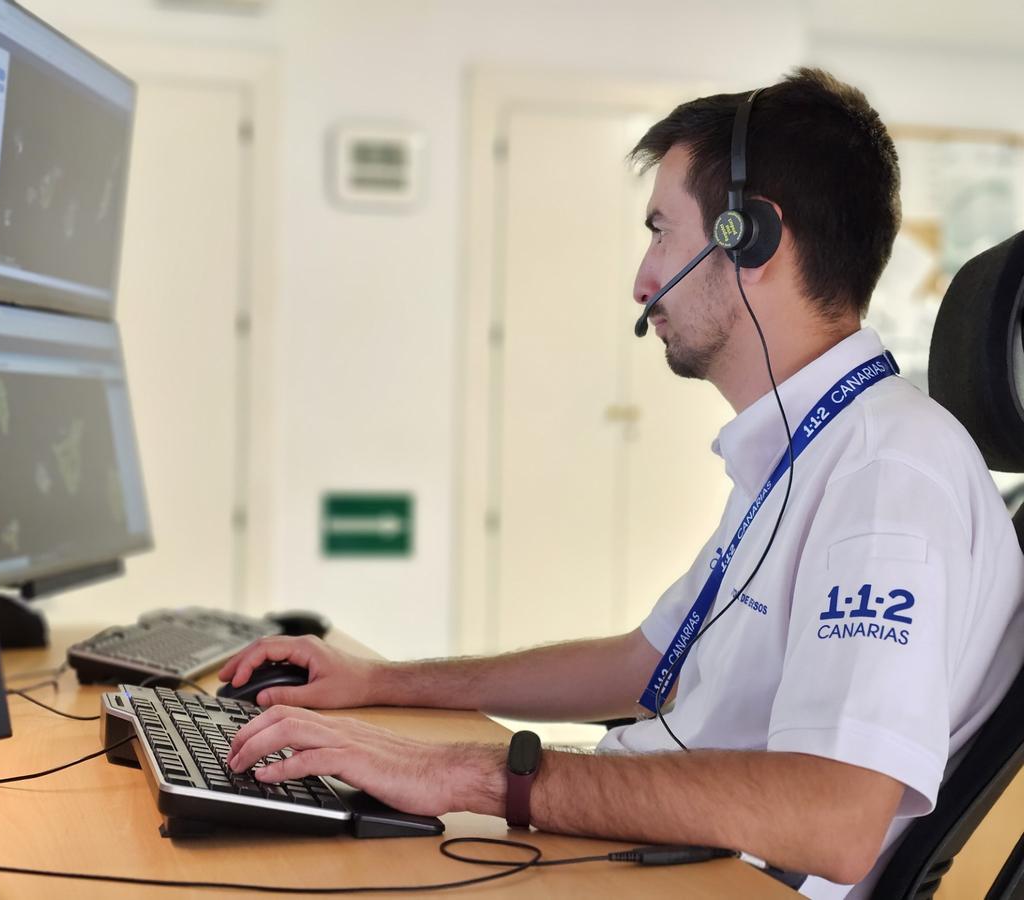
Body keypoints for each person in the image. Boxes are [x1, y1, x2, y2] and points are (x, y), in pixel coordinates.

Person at [220, 68, 1024, 899]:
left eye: (661, 232)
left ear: (751, 238)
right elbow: (651, 664)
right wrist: (380, 683)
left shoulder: (890, 476)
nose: (644, 281)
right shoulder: (804, 451)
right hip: (639, 858)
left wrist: (470, 775)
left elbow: (836, 818)